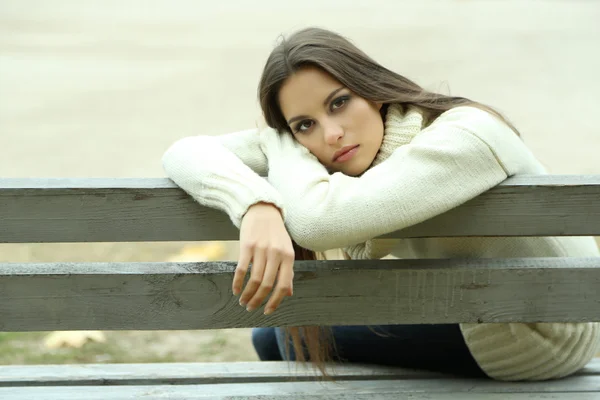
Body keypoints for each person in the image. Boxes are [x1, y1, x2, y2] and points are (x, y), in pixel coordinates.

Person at [162, 27, 600, 381]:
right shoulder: (340, 146)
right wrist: (255, 204)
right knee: (279, 334)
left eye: (339, 103)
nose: (330, 134)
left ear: (372, 90)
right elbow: (183, 152)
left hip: (540, 335)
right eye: (305, 124)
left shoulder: (465, 137)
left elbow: (317, 222)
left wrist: (279, 139)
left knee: (275, 340)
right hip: (492, 314)